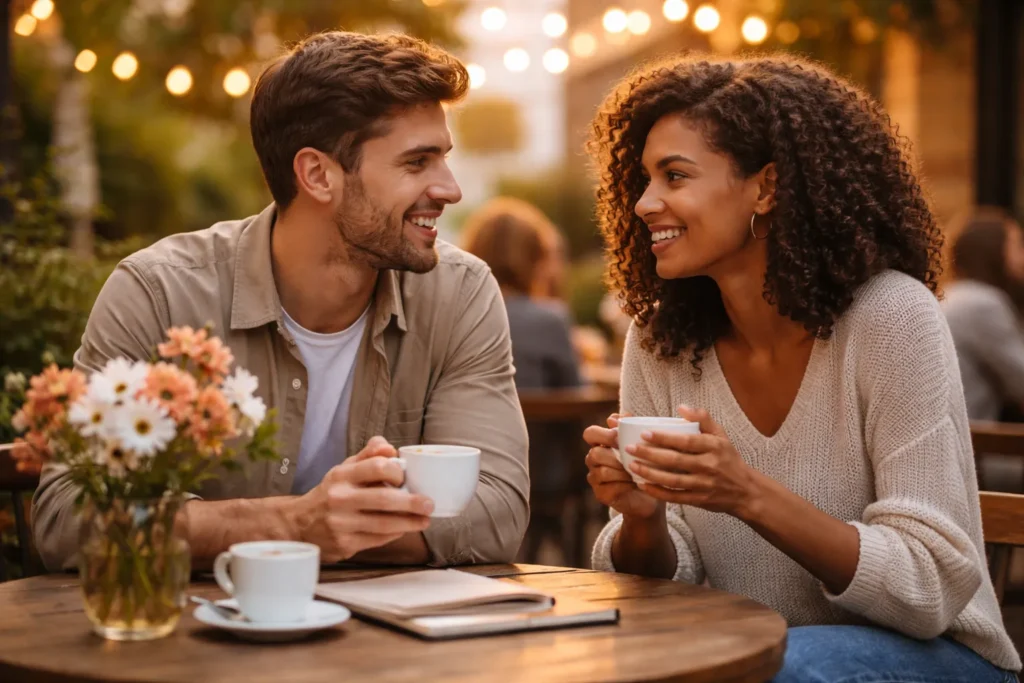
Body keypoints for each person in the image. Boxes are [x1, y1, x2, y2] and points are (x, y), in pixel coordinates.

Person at [581, 54, 1020, 681]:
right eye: (644, 179)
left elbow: (930, 587)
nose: (646, 202)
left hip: (936, 659)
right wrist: (642, 519)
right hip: (748, 656)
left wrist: (746, 494)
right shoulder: (661, 340)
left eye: (674, 176)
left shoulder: (890, 317)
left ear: (766, 186)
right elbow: (661, 586)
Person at [33, 31, 529, 572]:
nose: (451, 189)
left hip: (393, 645)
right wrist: (293, 525)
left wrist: (328, 527)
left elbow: (497, 510)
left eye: (443, 159)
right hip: (194, 640)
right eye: (417, 163)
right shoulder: (159, 294)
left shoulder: (460, 293)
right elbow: (68, 517)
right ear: (317, 175)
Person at [942, 208, 1024, 421]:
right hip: (979, 444)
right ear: (994, 251)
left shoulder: (952, 294)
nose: (1022, 257)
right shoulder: (983, 304)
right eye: (1017, 246)